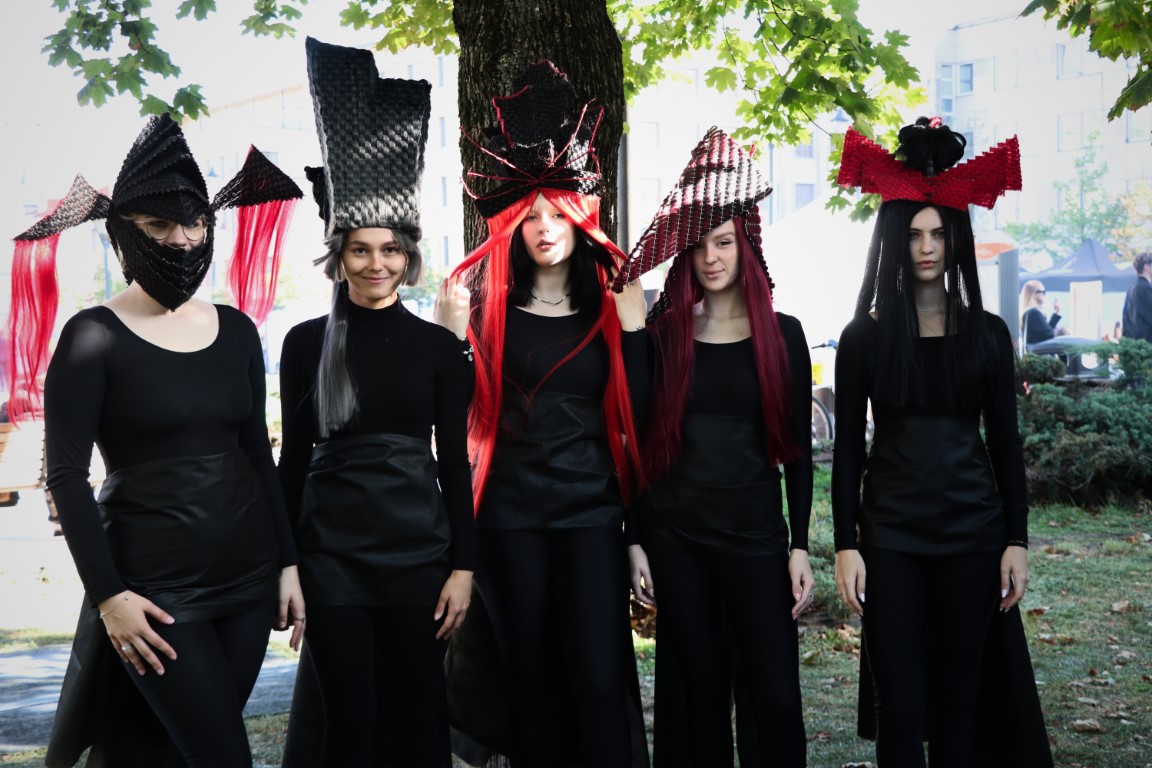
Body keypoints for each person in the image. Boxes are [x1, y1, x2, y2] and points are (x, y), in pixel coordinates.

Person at [21, 114, 305, 767]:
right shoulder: (91, 337)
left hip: (249, 581)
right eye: (158, 226)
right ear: (124, 233)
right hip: (154, 594)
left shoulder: (238, 331)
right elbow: (65, 478)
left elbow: (257, 454)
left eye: (195, 223)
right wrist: (109, 598)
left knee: (162, 754)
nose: (181, 240)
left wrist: (288, 564)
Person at [435, 61, 649, 767]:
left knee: (596, 676)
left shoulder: (612, 308)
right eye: (531, 216)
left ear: (580, 218)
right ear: (513, 226)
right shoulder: (486, 312)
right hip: (510, 517)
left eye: (557, 213)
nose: (544, 227)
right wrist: (449, 339)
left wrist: (637, 331)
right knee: (526, 678)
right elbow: (453, 415)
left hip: (590, 514)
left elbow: (643, 417)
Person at [277, 38, 474, 768]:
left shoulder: (437, 348)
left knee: (422, 717)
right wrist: (287, 565)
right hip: (331, 561)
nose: (376, 263)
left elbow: (454, 463)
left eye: (389, 249)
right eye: (360, 249)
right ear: (339, 254)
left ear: (408, 254)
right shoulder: (306, 343)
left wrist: (464, 566)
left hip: (418, 557)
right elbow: (292, 462)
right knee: (350, 723)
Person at [832, 117, 1051, 768]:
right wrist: (845, 543)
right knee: (900, 708)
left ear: (955, 239)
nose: (926, 247)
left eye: (937, 234)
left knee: (960, 705)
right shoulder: (863, 338)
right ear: (894, 240)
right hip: (891, 538)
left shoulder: (989, 335)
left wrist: (1017, 539)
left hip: (972, 536)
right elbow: (848, 451)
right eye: (913, 234)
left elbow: (1005, 443)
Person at [615, 127, 813, 766]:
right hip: (677, 537)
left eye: (723, 242)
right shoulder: (664, 334)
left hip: (756, 535)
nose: (711, 257)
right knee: (695, 697)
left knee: (774, 695)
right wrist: (636, 538)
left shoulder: (783, 335)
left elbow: (798, 454)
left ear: (745, 245)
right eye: (698, 245)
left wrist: (801, 544)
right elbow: (635, 436)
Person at [1019, 279, 1066, 350]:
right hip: (1040, 354)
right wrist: (1061, 331)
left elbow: (1046, 332)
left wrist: (1055, 313)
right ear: (1034, 294)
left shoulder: (1030, 312)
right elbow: (1049, 334)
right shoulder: (1033, 313)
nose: (1045, 294)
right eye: (1043, 292)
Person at [1121, 251, 1152, 343]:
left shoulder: (1132, 288)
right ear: (1147, 267)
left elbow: (1125, 318)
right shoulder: (1144, 288)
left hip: (1134, 343)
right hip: (1145, 343)